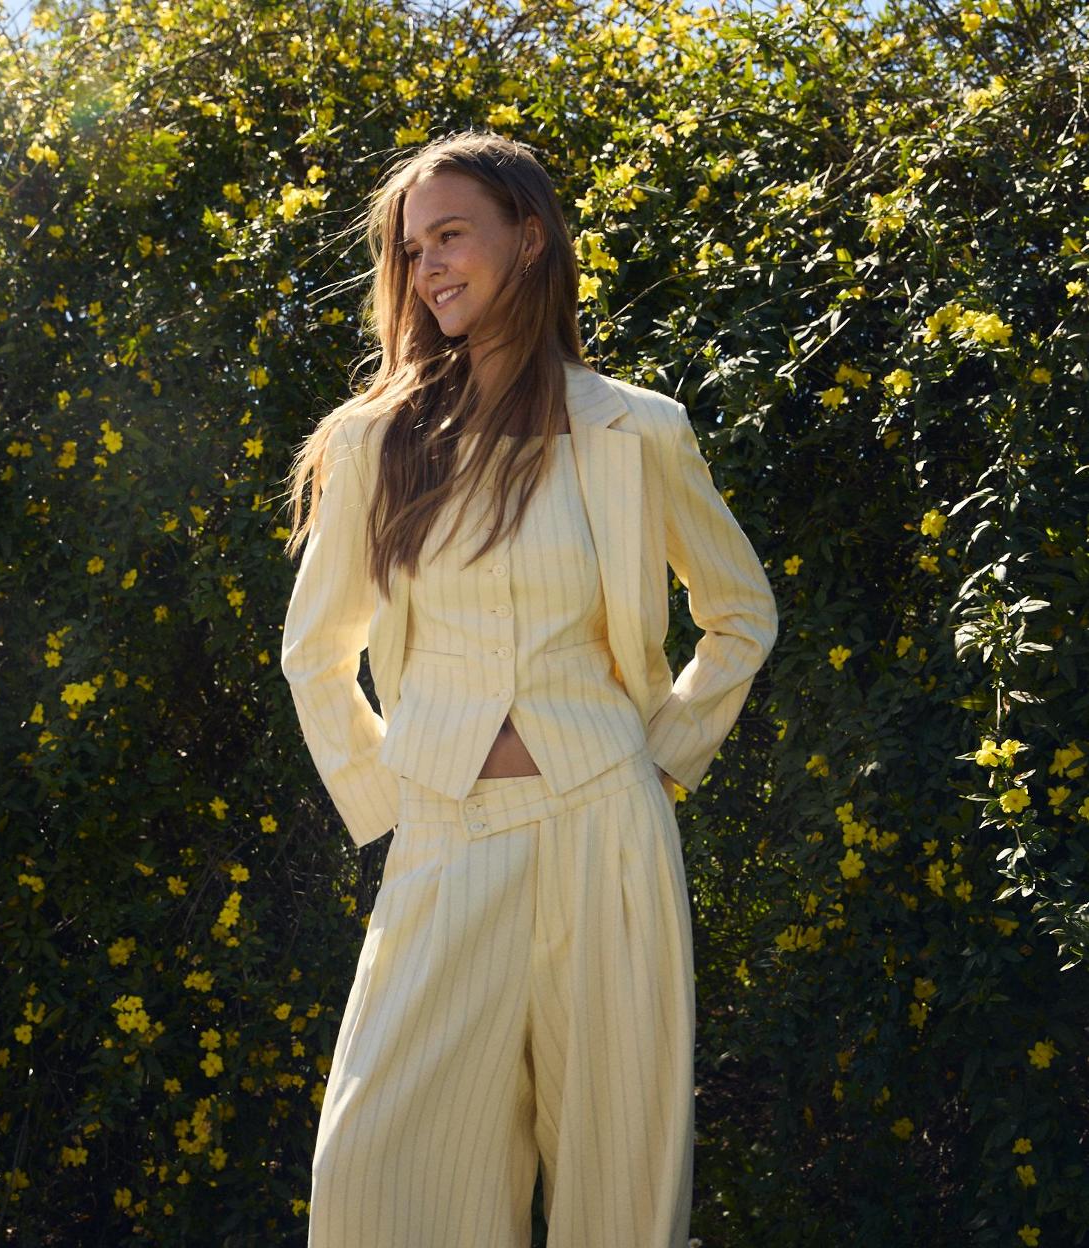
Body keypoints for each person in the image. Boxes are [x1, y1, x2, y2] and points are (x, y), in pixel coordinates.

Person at [279, 129, 779, 1248]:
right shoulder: (375, 442)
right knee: (377, 1177)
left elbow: (740, 612)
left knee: (619, 1183)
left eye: (452, 235)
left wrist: (662, 756)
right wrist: (390, 798)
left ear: (531, 237)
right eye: (413, 250)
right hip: (443, 836)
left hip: (608, 830)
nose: (429, 267)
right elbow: (315, 650)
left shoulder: (637, 429)